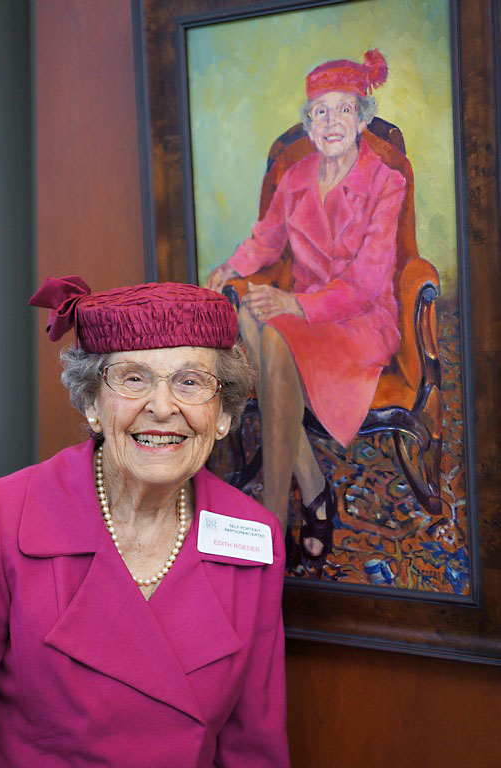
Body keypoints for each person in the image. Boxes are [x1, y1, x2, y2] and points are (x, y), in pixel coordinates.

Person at [0, 276, 290, 767]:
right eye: (134, 379)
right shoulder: (4, 517)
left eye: (190, 382)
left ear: (222, 415)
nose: (163, 407)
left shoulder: (256, 536)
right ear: (92, 403)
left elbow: (253, 749)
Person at [207, 50, 406, 566]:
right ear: (309, 123)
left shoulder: (387, 182)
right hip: (305, 314)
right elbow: (266, 240)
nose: (332, 121)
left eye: (344, 110)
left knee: (273, 331)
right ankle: (315, 488)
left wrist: (293, 303)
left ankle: (272, 525)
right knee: (248, 312)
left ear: (362, 119)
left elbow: (366, 286)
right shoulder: (296, 178)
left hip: (360, 321)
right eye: (321, 111)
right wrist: (230, 268)